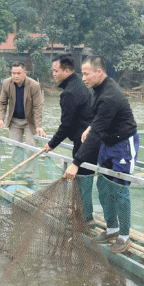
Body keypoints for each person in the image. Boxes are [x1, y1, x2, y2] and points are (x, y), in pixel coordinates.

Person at [63, 56, 139, 254]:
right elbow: (99, 122)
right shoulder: (97, 90)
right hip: (108, 141)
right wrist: (91, 126)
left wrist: (76, 163)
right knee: (104, 185)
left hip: (123, 144)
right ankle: (112, 229)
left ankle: (124, 236)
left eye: (86, 73)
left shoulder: (110, 95)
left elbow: (97, 133)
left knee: (120, 188)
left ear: (99, 72)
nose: (83, 77)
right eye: (82, 73)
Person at [44, 54, 96, 224]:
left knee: (83, 181)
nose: (53, 74)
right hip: (89, 139)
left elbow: (66, 125)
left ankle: (85, 219)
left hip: (84, 142)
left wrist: (51, 144)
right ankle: (83, 216)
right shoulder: (80, 85)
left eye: (56, 70)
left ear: (67, 71)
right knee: (83, 180)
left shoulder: (70, 92)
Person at [0, 61, 47, 184]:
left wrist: (39, 126)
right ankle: (17, 174)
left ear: (25, 73)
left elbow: (38, 107)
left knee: (30, 146)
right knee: (15, 148)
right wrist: (1, 119)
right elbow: (2, 102)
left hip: (30, 122)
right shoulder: (7, 84)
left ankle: (28, 175)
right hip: (14, 121)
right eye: (13, 73)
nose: (15, 76)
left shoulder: (34, 85)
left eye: (18, 73)